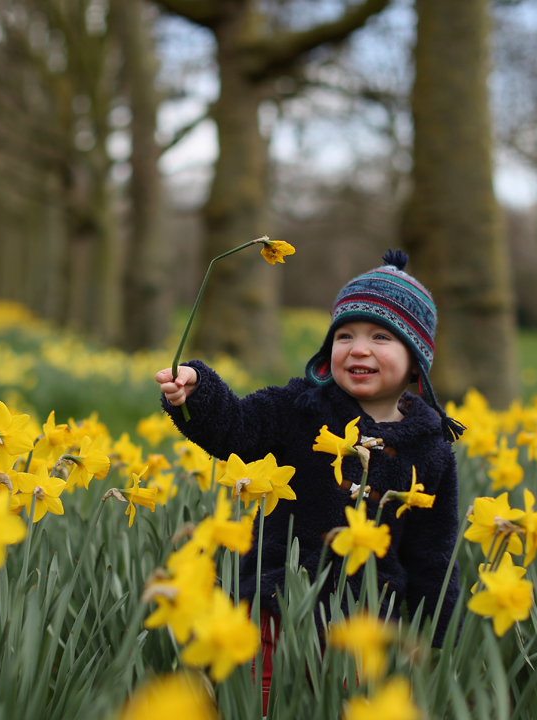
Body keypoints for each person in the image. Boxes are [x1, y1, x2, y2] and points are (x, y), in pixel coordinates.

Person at [155, 249, 464, 705]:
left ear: (416, 360)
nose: (359, 348)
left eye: (381, 336)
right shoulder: (299, 408)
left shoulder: (430, 447)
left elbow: (432, 549)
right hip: (274, 607)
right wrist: (197, 393)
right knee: (265, 703)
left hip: (367, 623)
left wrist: (436, 630)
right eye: (345, 335)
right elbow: (236, 429)